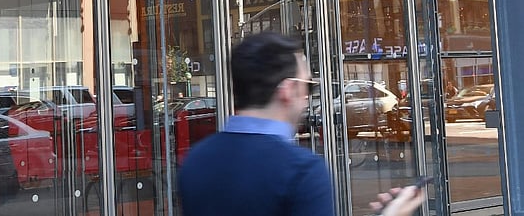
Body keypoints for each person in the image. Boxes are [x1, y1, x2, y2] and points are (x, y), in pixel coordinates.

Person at [178, 32, 426, 216]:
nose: (308, 97)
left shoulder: (196, 160)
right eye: (308, 86)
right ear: (288, 90)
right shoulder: (301, 171)